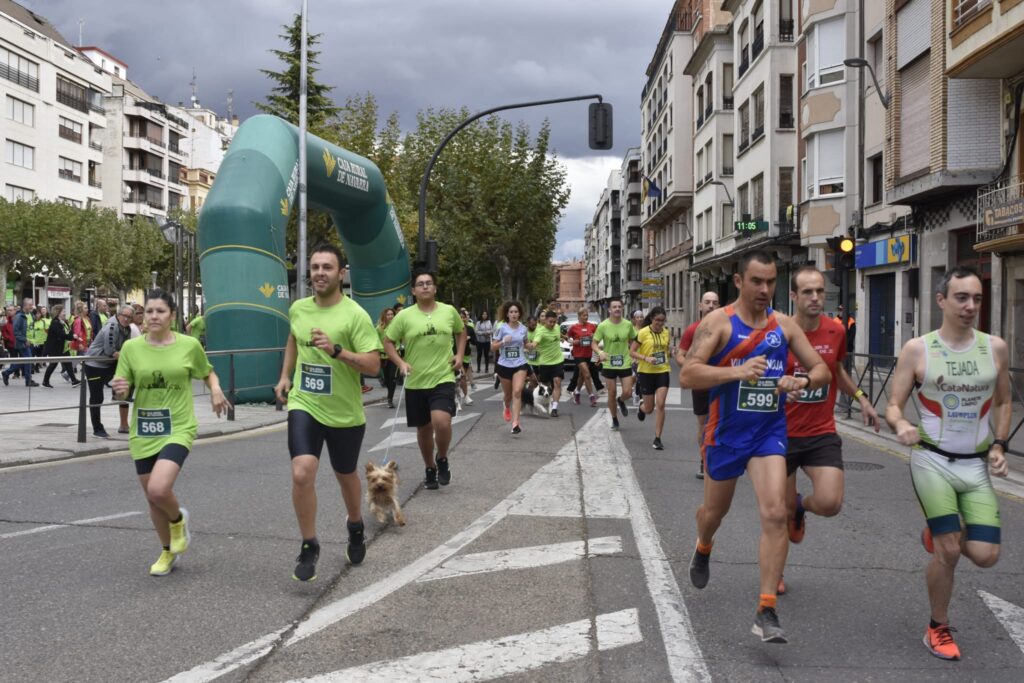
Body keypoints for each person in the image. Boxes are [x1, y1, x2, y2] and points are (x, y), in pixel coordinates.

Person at [680, 250, 829, 644]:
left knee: (776, 512)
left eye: (771, 282)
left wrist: (801, 382)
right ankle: (704, 544)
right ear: (739, 281)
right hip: (726, 434)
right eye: (757, 281)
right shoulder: (718, 323)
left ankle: (766, 609)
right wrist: (737, 372)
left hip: (768, 433)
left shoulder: (784, 325)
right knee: (714, 513)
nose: (765, 289)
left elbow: (821, 370)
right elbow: (688, 374)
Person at [885, 266, 1010, 661]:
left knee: (986, 555)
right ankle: (937, 627)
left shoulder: (995, 348)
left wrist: (1000, 445)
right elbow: (893, 404)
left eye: (977, 299)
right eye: (961, 297)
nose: (970, 306)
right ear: (941, 300)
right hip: (932, 461)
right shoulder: (918, 349)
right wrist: (901, 424)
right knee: (950, 551)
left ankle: (941, 534)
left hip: (975, 466)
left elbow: (1004, 400)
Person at [274, 244, 382, 582]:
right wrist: (285, 375)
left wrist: (338, 352)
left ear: (341, 273)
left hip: (344, 413)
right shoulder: (298, 308)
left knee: (346, 474)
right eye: (315, 267)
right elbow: (294, 339)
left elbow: (374, 366)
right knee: (302, 472)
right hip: (305, 403)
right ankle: (309, 544)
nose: (320, 273)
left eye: (327, 267)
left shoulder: (355, 315)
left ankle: (355, 525)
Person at [112, 289, 230, 576]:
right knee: (152, 498)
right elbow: (122, 389)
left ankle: (178, 521)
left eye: (160, 311)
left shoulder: (189, 345)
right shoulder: (131, 348)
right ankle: (167, 552)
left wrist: (215, 389)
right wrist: (120, 389)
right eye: (149, 311)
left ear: (172, 316)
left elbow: (207, 372)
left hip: (178, 426)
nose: (154, 316)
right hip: (143, 430)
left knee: (158, 489)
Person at [779, 267, 880, 594]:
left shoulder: (835, 330)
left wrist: (862, 398)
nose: (815, 297)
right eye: (807, 292)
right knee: (778, 514)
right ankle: (774, 572)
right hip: (780, 434)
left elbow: (836, 371)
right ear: (793, 296)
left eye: (820, 291)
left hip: (820, 432)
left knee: (830, 502)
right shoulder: (778, 332)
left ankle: (801, 507)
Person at [383, 269, 467, 487]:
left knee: (441, 422)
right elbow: (388, 341)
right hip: (416, 381)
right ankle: (430, 467)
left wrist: (459, 355)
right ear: (413, 290)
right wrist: (400, 363)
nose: (425, 286)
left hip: (443, 376)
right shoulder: (404, 316)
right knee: (424, 429)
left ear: (435, 288)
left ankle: (442, 457)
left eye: (429, 283)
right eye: (420, 284)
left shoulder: (448, 311)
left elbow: (461, 332)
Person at [676, 291, 720, 479]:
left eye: (715, 303)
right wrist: (691, 368)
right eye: (707, 302)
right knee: (703, 424)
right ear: (700, 306)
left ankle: (721, 460)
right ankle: (704, 461)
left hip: (722, 385)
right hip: (701, 386)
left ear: (719, 306)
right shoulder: (693, 329)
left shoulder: (728, 329)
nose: (711, 306)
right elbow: (680, 355)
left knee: (723, 424)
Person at [82, 305, 135, 438]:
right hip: (94, 364)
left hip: (108, 363)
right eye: (124, 316)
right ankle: (97, 428)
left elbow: (126, 348)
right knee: (97, 397)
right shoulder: (112, 326)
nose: (127, 319)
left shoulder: (126, 328)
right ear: (118, 315)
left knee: (131, 372)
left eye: (129, 317)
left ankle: (118, 393)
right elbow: (109, 350)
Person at [630, 306, 671, 449]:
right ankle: (642, 409)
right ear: (652, 319)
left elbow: (666, 351)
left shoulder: (666, 332)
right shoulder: (643, 332)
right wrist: (646, 358)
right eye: (657, 320)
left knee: (661, 404)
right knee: (649, 408)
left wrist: (671, 352)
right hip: (646, 372)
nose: (660, 323)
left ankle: (657, 438)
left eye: (662, 320)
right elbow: (632, 352)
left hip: (662, 370)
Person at [594, 298, 637, 431]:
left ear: (622, 308)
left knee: (628, 392)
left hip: (625, 362)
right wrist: (600, 352)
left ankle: (621, 400)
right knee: (611, 393)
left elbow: (634, 340)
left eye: (619, 306)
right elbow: (594, 343)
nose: (617, 309)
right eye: (614, 307)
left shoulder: (628, 324)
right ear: (609, 310)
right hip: (609, 363)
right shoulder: (603, 325)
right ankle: (614, 419)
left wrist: (633, 353)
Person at [490, 301, 529, 434]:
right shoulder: (501, 328)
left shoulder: (523, 329)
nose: (514, 314)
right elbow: (493, 347)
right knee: (508, 395)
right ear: (507, 314)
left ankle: (515, 423)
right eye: (511, 312)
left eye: (516, 312)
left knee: (517, 392)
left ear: (519, 314)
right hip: (504, 365)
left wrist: (531, 347)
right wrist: (502, 342)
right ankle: (506, 406)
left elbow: (526, 343)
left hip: (520, 363)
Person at [527, 309, 564, 416]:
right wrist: (530, 346)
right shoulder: (541, 331)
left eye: (554, 322)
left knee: (557, 382)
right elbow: (535, 343)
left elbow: (558, 334)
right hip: (545, 363)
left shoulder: (557, 327)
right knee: (543, 386)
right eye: (550, 322)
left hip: (558, 361)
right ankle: (531, 400)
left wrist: (565, 338)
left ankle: (554, 408)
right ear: (545, 320)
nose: (552, 324)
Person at [566, 308, 602, 406]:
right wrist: (574, 342)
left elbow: (597, 338)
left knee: (582, 376)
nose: (586, 317)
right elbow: (567, 339)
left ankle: (577, 392)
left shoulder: (592, 326)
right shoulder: (573, 327)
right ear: (579, 316)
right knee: (587, 375)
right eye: (584, 315)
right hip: (578, 354)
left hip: (589, 354)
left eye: (587, 315)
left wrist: (593, 337)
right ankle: (592, 397)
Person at [2, 298, 37, 387]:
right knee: (28, 360)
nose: (31, 306)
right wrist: (24, 340)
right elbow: (16, 331)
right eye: (30, 305)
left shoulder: (31, 315)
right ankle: (28, 380)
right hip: (23, 343)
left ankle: (6, 373)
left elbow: (31, 328)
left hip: (30, 342)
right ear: (25, 306)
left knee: (24, 361)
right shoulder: (19, 316)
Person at [42, 304, 79, 387]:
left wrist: (73, 335)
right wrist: (72, 337)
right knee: (53, 365)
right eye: (63, 312)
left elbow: (68, 331)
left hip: (63, 347)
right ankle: (45, 382)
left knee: (68, 364)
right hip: (56, 348)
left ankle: (74, 380)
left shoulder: (63, 322)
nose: (65, 313)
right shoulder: (55, 322)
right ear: (58, 313)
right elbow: (61, 334)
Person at [376, 307, 398, 409]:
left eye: (392, 314)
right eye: (388, 314)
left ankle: (390, 399)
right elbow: (376, 341)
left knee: (392, 377)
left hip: (394, 355)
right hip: (383, 356)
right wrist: (380, 350)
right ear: (384, 316)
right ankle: (389, 393)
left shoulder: (397, 326)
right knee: (387, 379)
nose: (390, 316)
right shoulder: (379, 328)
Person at [457, 309, 475, 407]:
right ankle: (459, 398)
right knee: (460, 376)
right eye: (460, 317)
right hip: (455, 355)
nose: (462, 319)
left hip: (466, 356)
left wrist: (469, 338)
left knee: (463, 377)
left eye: (463, 317)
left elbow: (475, 342)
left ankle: (465, 396)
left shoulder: (469, 329)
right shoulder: (452, 329)